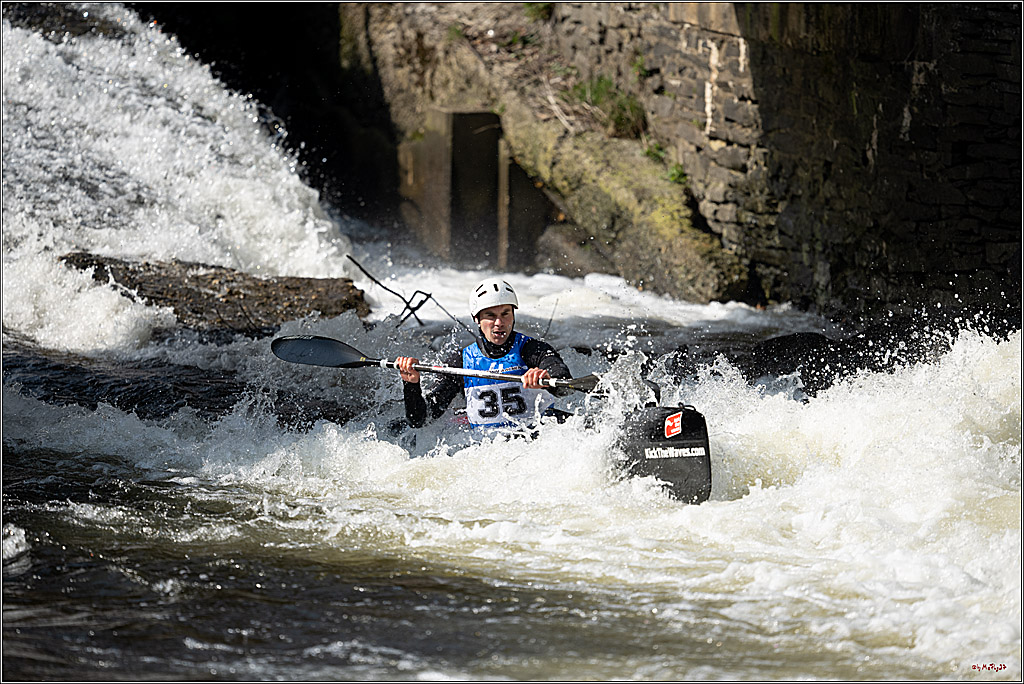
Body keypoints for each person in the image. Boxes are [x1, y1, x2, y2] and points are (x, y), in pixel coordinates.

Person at [396, 277, 572, 430]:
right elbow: (420, 420)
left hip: (538, 444)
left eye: (505, 314)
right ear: (477, 319)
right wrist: (411, 385)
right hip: (488, 453)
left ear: (513, 315)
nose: (499, 323)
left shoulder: (534, 350)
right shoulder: (461, 362)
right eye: (490, 315)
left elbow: (564, 384)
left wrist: (546, 379)